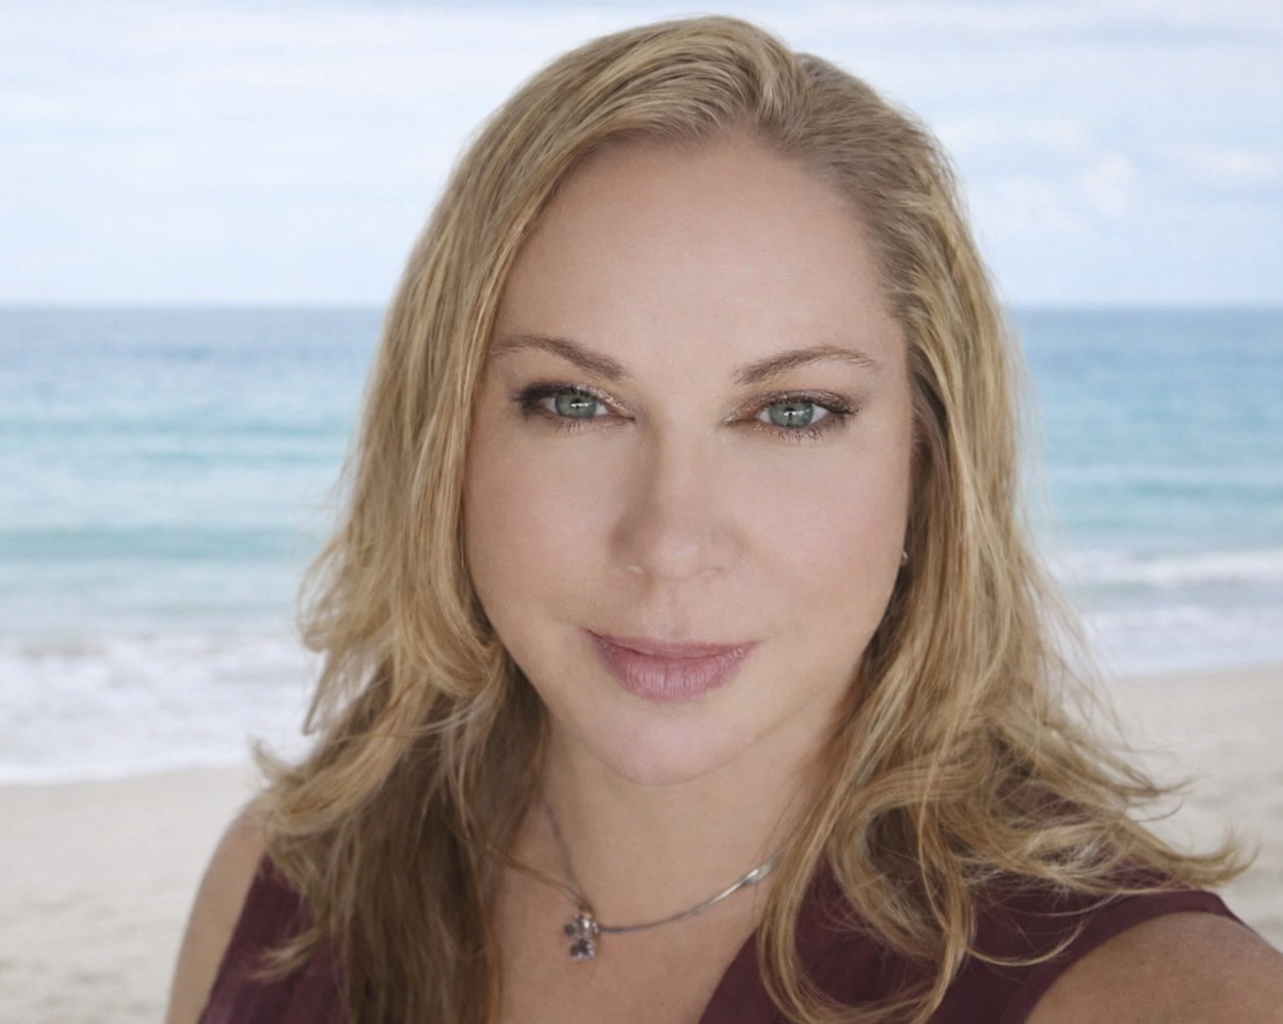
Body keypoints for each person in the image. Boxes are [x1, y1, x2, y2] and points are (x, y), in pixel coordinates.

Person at [166, 15, 1283, 1024]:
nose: (670, 541)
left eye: (792, 412)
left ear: (929, 459)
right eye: (575, 402)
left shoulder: (1172, 1000)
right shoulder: (282, 891)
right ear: (445, 437)